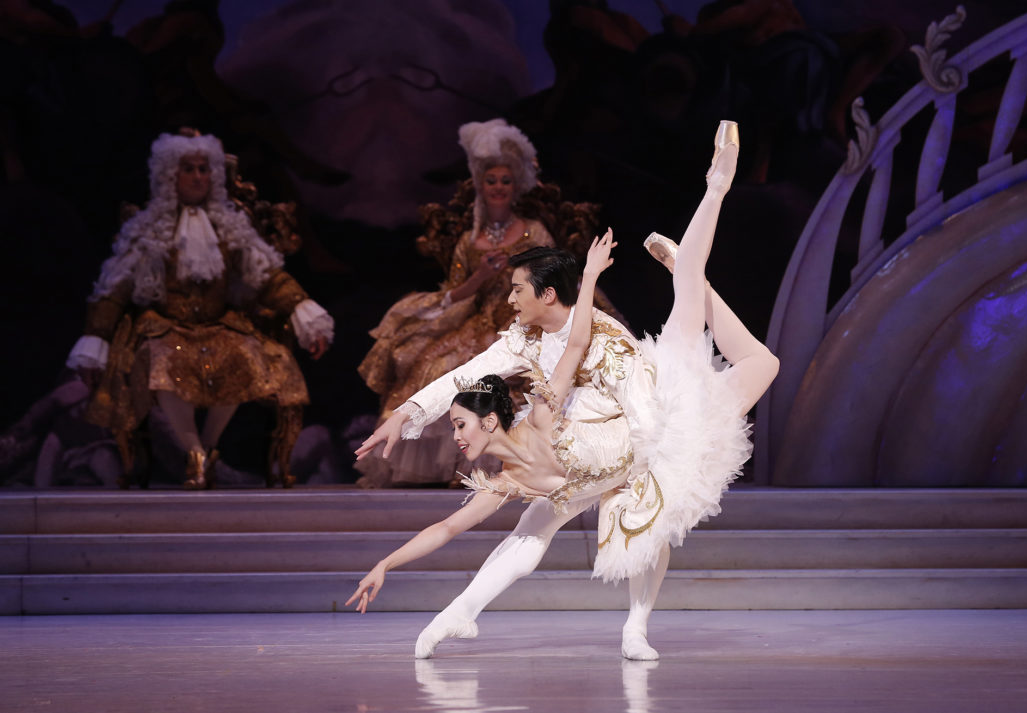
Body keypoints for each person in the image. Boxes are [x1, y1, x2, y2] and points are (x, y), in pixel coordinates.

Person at [352, 121, 780, 659]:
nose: (509, 300)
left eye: (516, 291)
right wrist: (405, 414)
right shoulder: (521, 347)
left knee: (738, 345)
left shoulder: (587, 323)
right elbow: (463, 377)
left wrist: (655, 446)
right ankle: (458, 614)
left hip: (656, 400)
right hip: (583, 436)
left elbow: (588, 348)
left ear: (547, 294)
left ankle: (715, 186)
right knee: (533, 530)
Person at [66, 130, 334, 488]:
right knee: (161, 357)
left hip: (218, 324)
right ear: (169, 175)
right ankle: (193, 450)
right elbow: (114, 289)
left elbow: (268, 277)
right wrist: (95, 340)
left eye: (204, 169)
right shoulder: (149, 229)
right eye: (188, 169)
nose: (197, 176)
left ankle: (206, 449)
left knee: (246, 355)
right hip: (166, 325)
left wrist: (304, 313)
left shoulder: (229, 228)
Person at [357, 119, 555, 486]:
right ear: (480, 185)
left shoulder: (534, 232)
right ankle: (453, 464)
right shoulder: (469, 238)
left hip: (522, 323)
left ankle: (495, 462)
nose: (498, 187)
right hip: (476, 321)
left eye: (505, 181)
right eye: (491, 180)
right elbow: (455, 292)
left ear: (516, 187)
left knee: (505, 375)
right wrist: (480, 276)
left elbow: (549, 283)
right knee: (439, 363)